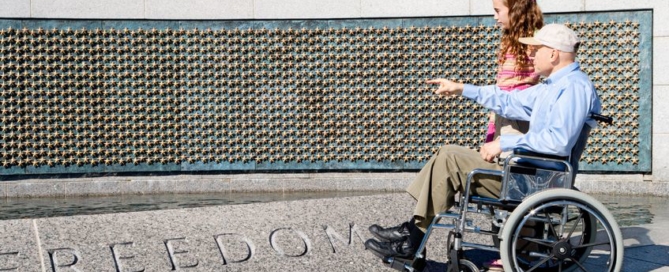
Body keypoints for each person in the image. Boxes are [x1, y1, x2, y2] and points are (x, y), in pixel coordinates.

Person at [365, 24, 602, 262]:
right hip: (527, 172)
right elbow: (508, 101)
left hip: (536, 180)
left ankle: (412, 240)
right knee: (447, 152)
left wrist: (504, 143)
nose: (530, 55)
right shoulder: (552, 86)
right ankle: (412, 231)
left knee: (450, 160)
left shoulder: (574, 87)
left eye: (535, 49)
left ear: (553, 53)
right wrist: (461, 89)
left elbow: (559, 142)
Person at [485, 0, 543, 144]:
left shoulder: (534, 40)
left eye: (498, 11)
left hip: (518, 111)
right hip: (504, 108)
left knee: (510, 160)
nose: (494, 17)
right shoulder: (509, 39)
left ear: (515, 10)